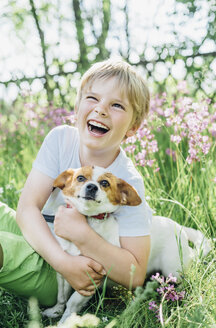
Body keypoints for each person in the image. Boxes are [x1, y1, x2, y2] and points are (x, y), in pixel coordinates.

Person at [0, 59, 152, 307]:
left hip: (63, 276)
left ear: (133, 127)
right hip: (42, 240)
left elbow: (135, 273)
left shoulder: (128, 181)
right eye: (92, 98)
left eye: (116, 105)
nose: (101, 110)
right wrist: (61, 259)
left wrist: (82, 238)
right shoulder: (61, 139)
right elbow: (26, 209)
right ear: (77, 105)